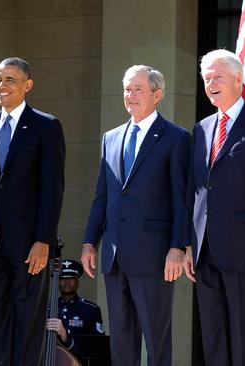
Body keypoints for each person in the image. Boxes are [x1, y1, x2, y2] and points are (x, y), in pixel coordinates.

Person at [182, 49, 245, 366]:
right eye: (206, 78)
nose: (211, 83)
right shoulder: (200, 129)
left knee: (243, 335)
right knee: (213, 337)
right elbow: (194, 192)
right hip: (205, 252)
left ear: (239, 79)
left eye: (218, 76)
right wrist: (188, 245)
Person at [81, 65, 190, 366]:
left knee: (156, 341)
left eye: (137, 89)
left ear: (157, 94)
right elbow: (102, 196)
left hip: (155, 258)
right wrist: (91, 241)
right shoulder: (111, 138)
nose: (130, 95)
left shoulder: (176, 138)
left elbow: (182, 200)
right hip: (115, 258)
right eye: (127, 89)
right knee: (122, 342)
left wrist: (178, 247)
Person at [0, 57, 66, 365]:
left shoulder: (46, 126)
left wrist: (43, 240)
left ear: (27, 85)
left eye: (10, 79)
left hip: (29, 248)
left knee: (27, 327)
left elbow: (52, 189)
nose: (1, 85)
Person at [46, 259, 104, 352]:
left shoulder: (91, 309)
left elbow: (98, 346)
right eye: (62, 278)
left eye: (71, 278)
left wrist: (66, 338)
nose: (67, 281)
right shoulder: (46, 308)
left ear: (77, 281)